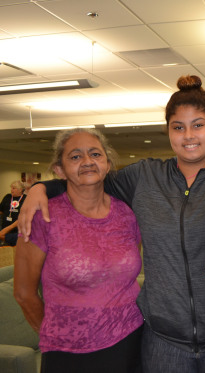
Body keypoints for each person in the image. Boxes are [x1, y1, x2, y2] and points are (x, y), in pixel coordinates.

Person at [18, 76, 205, 373]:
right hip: (162, 342)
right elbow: (88, 178)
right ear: (168, 131)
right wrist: (40, 188)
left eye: (198, 125)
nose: (189, 135)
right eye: (178, 127)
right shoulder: (143, 177)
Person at [14, 129, 143, 373]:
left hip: (131, 341)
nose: (87, 162)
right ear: (59, 170)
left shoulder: (127, 214)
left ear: (107, 163)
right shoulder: (42, 217)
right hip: (68, 354)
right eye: (75, 157)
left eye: (95, 154)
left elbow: (124, 274)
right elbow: (23, 293)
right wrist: (58, 333)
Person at [0, 180, 26, 246]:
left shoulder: (26, 199)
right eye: (11, 188)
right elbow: (1, 210)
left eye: (13, 188)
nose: (11, 190)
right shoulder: (7, 197)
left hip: (17, 230)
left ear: (20, 190)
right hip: (5, 228)